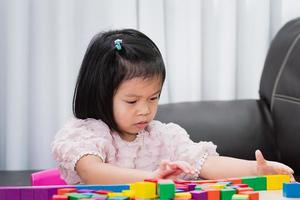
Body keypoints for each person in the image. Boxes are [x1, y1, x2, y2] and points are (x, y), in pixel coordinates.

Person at [51, 29, 294, 185]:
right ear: (101, 95)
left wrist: (256, 170)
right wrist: (152, 178)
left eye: (153, 98)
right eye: (132, 101)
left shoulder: (164, 137)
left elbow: (207, 164)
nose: (145, 110)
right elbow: (92, 172)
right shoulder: (87, 134)